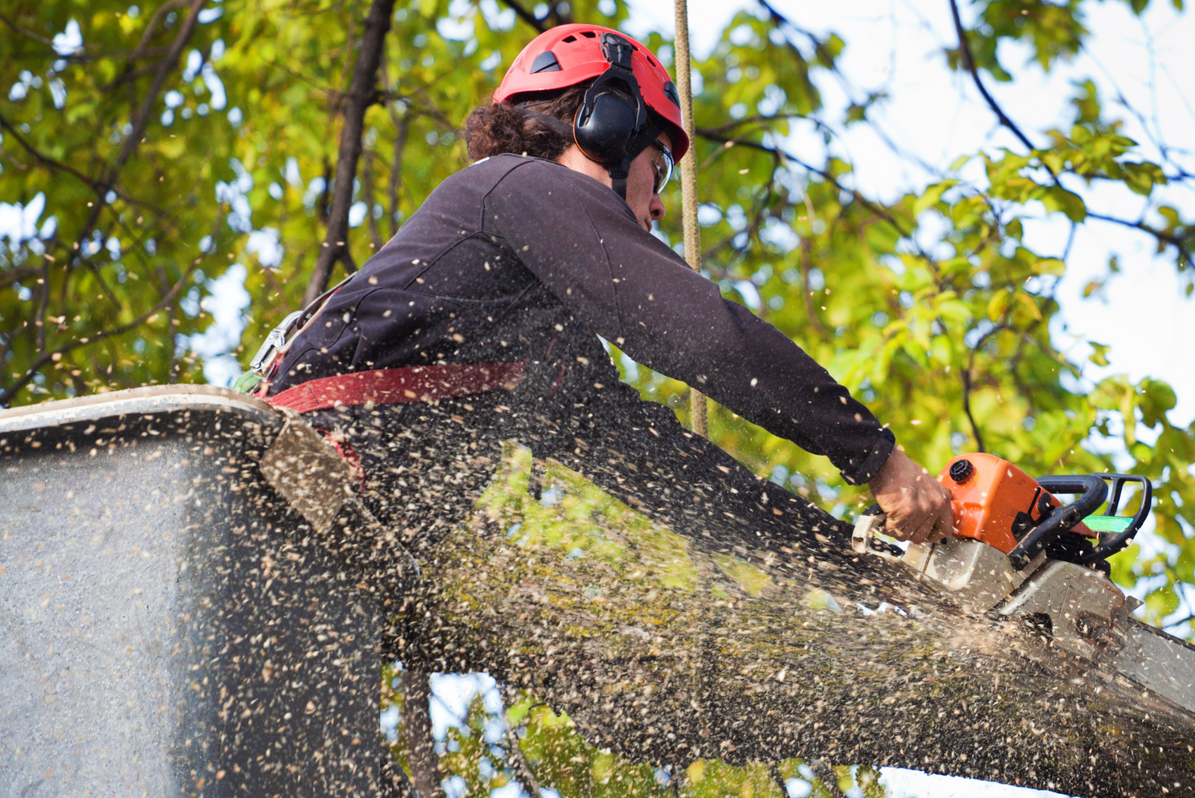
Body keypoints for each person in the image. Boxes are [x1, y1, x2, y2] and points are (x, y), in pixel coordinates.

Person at [258, 22, 954, 548]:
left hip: (328, 540)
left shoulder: (541, 339)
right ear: (606, 126)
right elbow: (703, 335)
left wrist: (855, 562)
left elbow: (669, 475)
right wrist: (876, 456)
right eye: (659, 165)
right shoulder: (516, 186)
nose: (658, 206)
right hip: (283, 485)